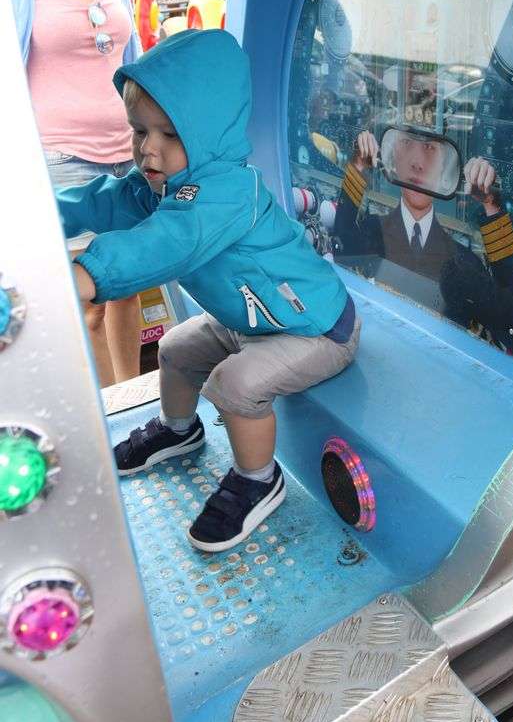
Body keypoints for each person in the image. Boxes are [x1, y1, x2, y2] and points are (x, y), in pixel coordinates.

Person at [61, 29, 360, 552]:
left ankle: (257, 479)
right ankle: (179, 429)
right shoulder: (163, 186)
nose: (148, 149)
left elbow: (166, 242)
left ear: (208, 134)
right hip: (254, 323)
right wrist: (39, 214)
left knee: (235, 383)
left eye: (170, 134)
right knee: (176, 347)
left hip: (314, 328)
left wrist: (86, 275)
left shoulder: (226, 192)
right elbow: (103, 201)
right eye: (139, 131)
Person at [7, 0, 143, 387]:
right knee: (88, 303)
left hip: (129, 153)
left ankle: (134, 397)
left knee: (128, 288)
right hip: (62, 158)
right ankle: (110, 408)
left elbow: (131, 60)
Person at [335, 128, 513, 361]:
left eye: (430, 149)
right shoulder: (372, 231)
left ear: (444, 171)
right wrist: (358, 166)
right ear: (394, 159)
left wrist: (492, 206)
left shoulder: (463, 265)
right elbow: (340, 255)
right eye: (407, 144)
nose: (418, 163)